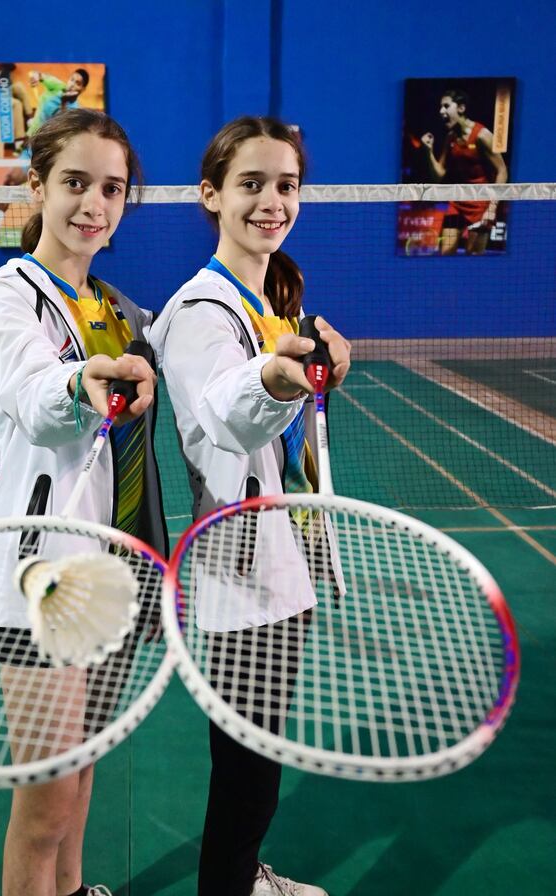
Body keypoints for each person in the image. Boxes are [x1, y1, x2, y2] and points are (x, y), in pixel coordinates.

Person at [150, 116, 351, 896]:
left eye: (287, 185)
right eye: (252, 184)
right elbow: (225, 412)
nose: (272, 202)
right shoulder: (204, 311)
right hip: (243, 569)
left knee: (255, 757)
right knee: (248, 766)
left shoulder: (267, 299)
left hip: (281, 558)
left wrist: (309, 369)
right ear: (212, 194)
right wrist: (279, 379)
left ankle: (241, 878)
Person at [0, 108, 167, 896]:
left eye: (112, 189)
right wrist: (78, 383)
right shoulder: (10, 299)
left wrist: (281, 367)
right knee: (44, 806)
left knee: (81, 781)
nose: (94, 204)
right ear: (37, 186)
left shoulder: (119, 310)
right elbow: (30, 391)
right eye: (75, 183)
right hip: (43, 579)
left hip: (115, 572)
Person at [421, 88, 508, 255]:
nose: (441, 111)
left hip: (481, 202)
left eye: (446, 106)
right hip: (459, 200)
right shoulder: (451, 137)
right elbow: (438, 176)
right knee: (445, 253)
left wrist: (492, 208)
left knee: (473, 256)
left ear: (461, 108)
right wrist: (428, 151)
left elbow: (502, 170)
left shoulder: (482, 136)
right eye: (441, 107)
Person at [26, 69, 90, 137]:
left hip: (43, 141)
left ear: (83, 89)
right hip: (31, 132)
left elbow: (60, 130)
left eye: (78, 83)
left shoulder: (75, 110)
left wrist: (64, 102)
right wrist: (36, 76)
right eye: (71, 79)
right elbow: (40, 75)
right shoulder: (58, 86)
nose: (72, 85)